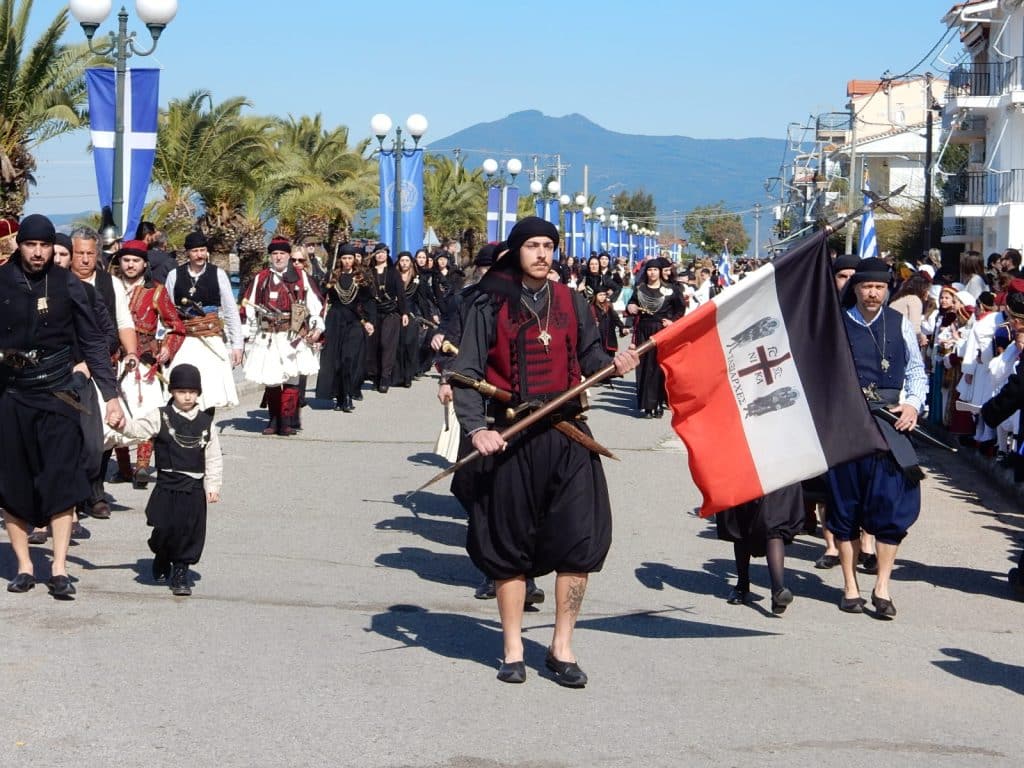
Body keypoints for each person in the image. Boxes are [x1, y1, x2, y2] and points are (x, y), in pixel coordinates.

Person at [448, 216, 640, 685]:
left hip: (568, 435)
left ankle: (561, 646)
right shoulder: (487, 304)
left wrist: (616, 364)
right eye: (532, 245)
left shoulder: (573, 302)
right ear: (516, 252)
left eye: (548, 246)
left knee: (580, 541)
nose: (541, 254)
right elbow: (466, 372)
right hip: (509, 438)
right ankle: (513, 648)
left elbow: (591, 358)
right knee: (508, 549)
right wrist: (476, 430)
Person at [0, 214, 124, 597]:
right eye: (30, 245)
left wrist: (112, 395)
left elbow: (93, 341)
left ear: (53, 248)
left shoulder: (69, 285)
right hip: (12, 392)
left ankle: (57, 568)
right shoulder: (1, 281)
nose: (37, 253)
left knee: (62, 479)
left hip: (59, 392)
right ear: (19, 245)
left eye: (44, 246)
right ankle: (23, 566)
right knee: (13, 483)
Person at [826, 257, 927, 618]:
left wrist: (913, 405)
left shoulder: (898, 324)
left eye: (879, 287)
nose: (872, 293)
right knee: (845, 507)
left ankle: (882, 587)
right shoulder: (836, 324)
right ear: (855, 289)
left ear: (887, 290)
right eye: (866, 286)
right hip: (848, 427)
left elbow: (916, 369)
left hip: (889, 425)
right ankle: (850, 586)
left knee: (891, 505)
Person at [114, 363, 222, 596]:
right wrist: (121, 425)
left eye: (192, 392)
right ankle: (162, 553)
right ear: (172, 391)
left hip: (193, 487)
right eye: (182, 392)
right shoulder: (161, 416)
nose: (187, 397)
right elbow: (138, 429)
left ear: (198, 394)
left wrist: (212, 486)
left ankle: (181, 571)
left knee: (189, 531)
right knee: (165, 528)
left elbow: (213, 457)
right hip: (166, 485)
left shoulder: (206, 423)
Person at [112, 238, 186, 487]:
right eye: (126, 260)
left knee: (147, 412)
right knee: (117, 411)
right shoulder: (109, 287)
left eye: (135, 261)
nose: (130, 265)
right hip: (113, 358)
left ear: (144, 264)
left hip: (145, 362)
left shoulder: (156, 291)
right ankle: (123, 468)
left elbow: (176, 327)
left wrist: (167, 348)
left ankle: (142, 466)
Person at [241, 237, 324, 435]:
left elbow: (316, 306)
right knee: (271, 379)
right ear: (270, 256)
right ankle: (273, 419)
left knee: (292, 378)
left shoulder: (302, 278)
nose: (278, 257)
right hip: (267, 334)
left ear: (288, 255)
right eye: (275, 254)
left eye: (282, 254)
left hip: (292, 334)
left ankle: (286, 421)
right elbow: (248, 308)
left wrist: (316, 328)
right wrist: (246, 335)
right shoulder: (261, 278)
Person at [164, 231, 244, 410]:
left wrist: (237, 345)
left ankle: (205, 432)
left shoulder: (218, 274)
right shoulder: (174, 275)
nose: (199, 255)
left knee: (210, 390)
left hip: (210, 337)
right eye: (195, 251)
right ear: (188, 253)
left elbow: (230, 310)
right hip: (184, 340)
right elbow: (167, 312)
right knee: (181, 386)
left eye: (202, 250)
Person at [716, 484, 806, 614]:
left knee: (774, 526)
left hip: (777, 473)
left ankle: (777, 590)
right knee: (742, 522)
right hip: (747, 471)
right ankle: (743, 584)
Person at [315, 244, 374, 412]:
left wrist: (369, 321)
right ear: (340, 259)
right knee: (337, 361)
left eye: (350, 258)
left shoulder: (360, 277)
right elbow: (320, 296)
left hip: (354, 321)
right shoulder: (333, 276)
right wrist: (325, 287)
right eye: (344, 258)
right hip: (335, 320)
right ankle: (339, 396)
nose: (347, 261)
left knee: (350, 358)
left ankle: (348, 395)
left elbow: (368, 301)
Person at [626, 257, 685, 417]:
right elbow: (631, 303)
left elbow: (680, 309)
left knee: (658, 367)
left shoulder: (671, 289)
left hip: (661, 331)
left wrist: (672, 321)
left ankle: (658, 402)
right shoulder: (641, 288)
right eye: (649, 270)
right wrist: (630, 307)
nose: (652, 273)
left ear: (660, 272)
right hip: (643, 330)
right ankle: (647, 405)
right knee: (644, 366)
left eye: (655, 270)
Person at [365, 243, 407, 393]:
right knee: (373, 345)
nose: (380, 255)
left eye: (383, 252)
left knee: (387, 344)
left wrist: (404, 313)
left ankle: (385, 377)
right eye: (378, 253)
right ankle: (375, 376)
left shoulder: (393, 272)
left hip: (391, 312)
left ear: (387, 254)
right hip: (374, 312)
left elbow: (401, 293)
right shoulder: (368, 273)